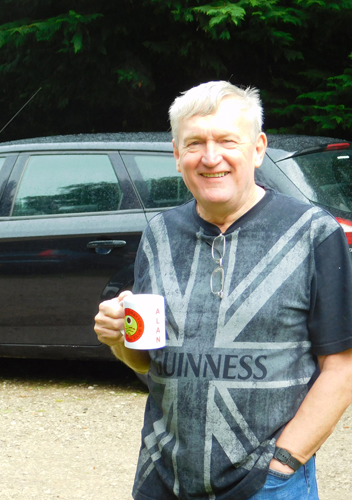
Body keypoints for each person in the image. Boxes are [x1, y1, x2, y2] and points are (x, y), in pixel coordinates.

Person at [94, 81, 352, 499]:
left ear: (257, 148)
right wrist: (119, 338)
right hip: (163, 477)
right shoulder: (159, 233)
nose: (210, 158)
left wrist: (283, 463)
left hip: (266, 484)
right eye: (194, 143)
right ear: (177, 154)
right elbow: (146, 362)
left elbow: (341, 367)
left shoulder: (312, 233)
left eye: (227, 141)